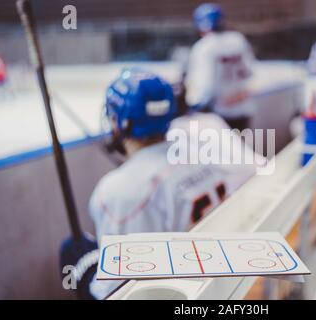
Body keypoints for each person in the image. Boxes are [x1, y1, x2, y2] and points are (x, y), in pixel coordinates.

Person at [88, 68, 258, 299]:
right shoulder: (201, 155)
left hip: (183, 294)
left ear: (120, 121)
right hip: (221, 282)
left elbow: (116, 288)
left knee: (73, 252)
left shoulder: (117, 192)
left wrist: (86, 276)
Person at [185, 3, 256, 131]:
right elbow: (251, 73)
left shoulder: (204, 47)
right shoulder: (238, 39)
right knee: (239, 149)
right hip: (243, 108)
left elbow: (204, 87)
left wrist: (194, 107)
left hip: (218, 114)